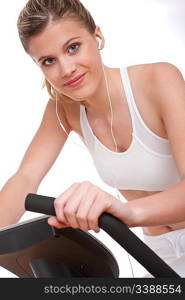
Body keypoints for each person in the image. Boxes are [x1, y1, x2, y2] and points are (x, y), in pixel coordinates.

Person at [0, 0, 185, 277]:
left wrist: (124, 211)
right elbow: (25, 178)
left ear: (97, 37)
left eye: (73, 47)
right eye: (49, 61)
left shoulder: (158, 79)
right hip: (159, 252)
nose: (66, 70)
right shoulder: (64, 109)